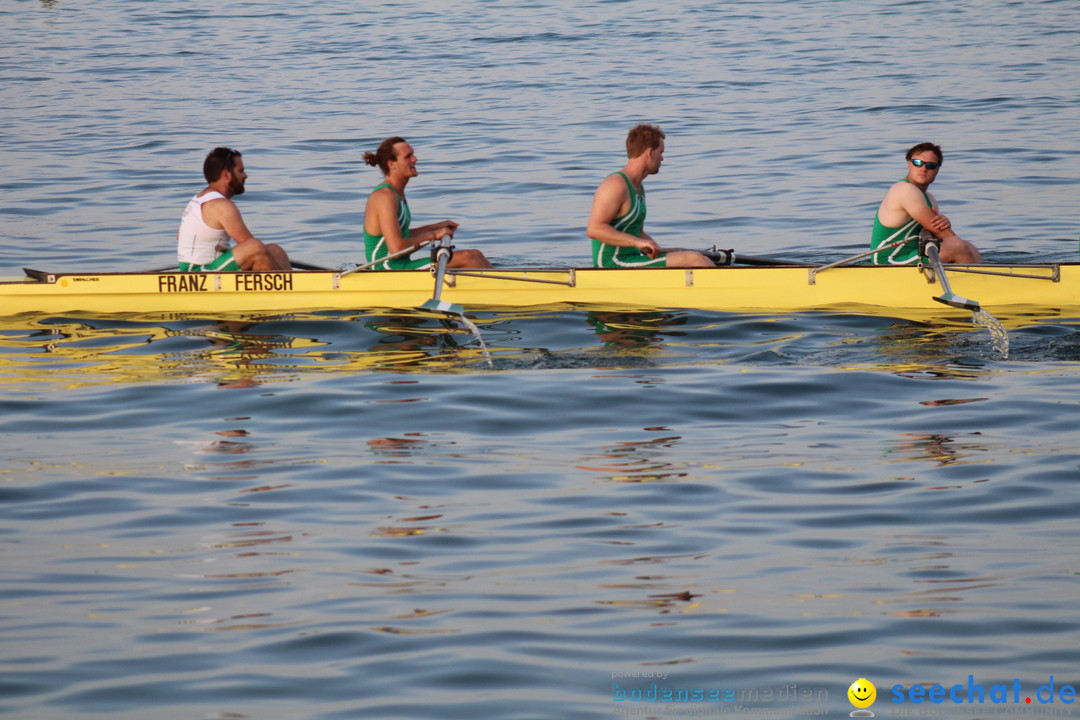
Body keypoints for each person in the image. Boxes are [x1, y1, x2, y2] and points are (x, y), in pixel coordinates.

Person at [586, 124, 714, 269]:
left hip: (631, 259)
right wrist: (637, 243)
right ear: (649, 152)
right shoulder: (615, 185)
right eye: (661, 152)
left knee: (701, 257)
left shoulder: (638, 187)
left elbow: (637, 232)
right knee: (694, 260)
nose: (662, 159)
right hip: (613, 264)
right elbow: (594, 229)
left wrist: (653, 246)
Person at [362, 137, 492, 270]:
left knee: (476, 254)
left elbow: (402, 235)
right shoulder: (384, 196)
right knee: (467, 257)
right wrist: (434, 235)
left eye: (413, 154)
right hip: (387, 270)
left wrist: (435, 227)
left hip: (400, 266)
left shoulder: (395, 194)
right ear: (392, 165)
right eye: (408, 156)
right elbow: (396, 248)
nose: (415, 159)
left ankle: (505, 286)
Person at [177, 147, 291, 272]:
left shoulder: (199, 199)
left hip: (214, 265)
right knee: (255, 248)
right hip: (197, 272)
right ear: (226, 174)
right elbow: (251, 246)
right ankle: (288, 290)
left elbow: (180, 236)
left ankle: (294, 286)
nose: (245, 175)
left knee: (275, 251)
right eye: (241, 171)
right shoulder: (220, 205)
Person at [870, 142, 981, 265]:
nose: (923, 169)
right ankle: (978, 281)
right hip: (889, 260)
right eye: (918, 163)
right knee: (959, 247)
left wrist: (945, 223)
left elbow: (938, 235)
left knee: (969, 247)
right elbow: (944, 234)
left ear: (937, 169)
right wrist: (953, 239)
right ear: (909, 164)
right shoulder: (905, 190)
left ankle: (982, 277)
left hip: (913, 253)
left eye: (931, 165)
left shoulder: (929, 198)